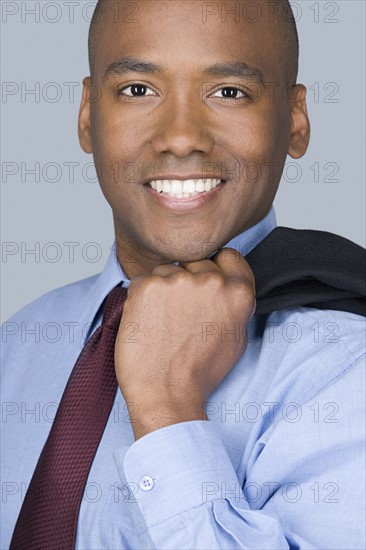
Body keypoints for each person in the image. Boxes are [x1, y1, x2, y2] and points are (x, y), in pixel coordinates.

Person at [1, 1, 365, 548]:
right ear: (86, 114)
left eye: (228, 92)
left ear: (295, 119)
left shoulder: (346, 367)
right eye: (138, 90)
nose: (180, 137)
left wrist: (166, 405)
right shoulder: (19, 341)